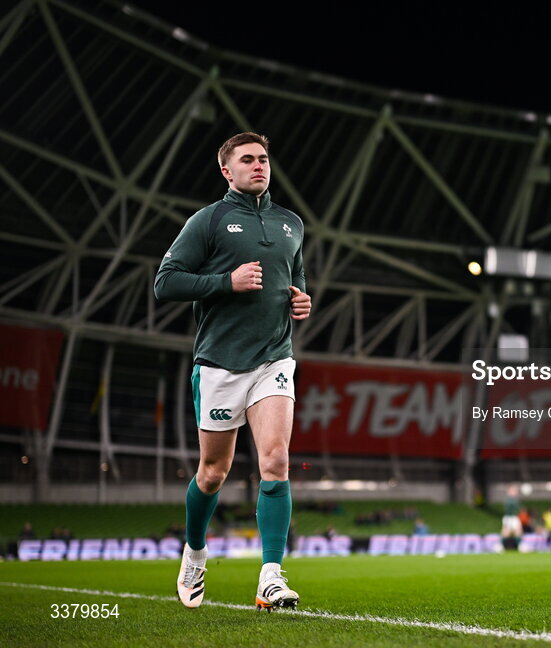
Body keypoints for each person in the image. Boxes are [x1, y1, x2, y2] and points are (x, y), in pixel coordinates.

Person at [155, 132, 311, 611]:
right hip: (221, 364)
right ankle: (196, 552)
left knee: (276, 461)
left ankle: (270, 576)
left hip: (274, 358)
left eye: (264, 158)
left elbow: (295, 275)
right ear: (227, 170)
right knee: (213, 472)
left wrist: (300, 299)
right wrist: (227, 282)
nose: (259, 165)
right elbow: (166, 282)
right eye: (247, 159)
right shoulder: (210, 219)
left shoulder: (291, 223)